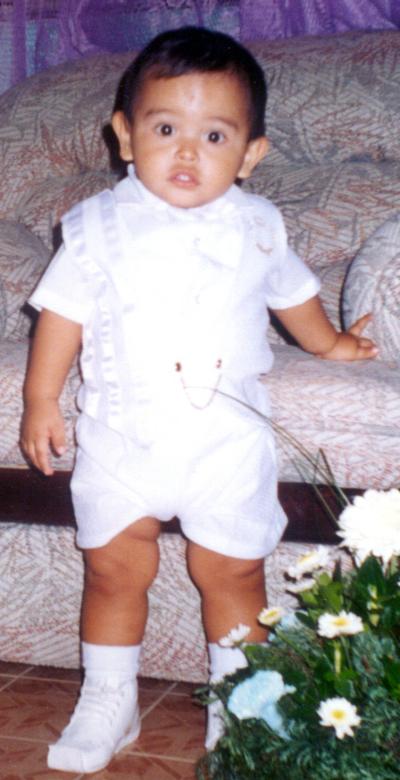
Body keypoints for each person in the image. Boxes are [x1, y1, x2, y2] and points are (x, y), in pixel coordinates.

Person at [20, 25, 377, 774]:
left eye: (213, 135)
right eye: (165, 128)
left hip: (225, 436)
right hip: (122, 435)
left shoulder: (260, 226)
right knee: (115, 568)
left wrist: (333, 345)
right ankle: (108, 698)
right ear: (124, 136)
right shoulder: (94, 227)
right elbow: (62, 316)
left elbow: (296, 301)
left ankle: (239, 699)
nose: (187, 152)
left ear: (250, 154)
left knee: (233, 571)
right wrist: (42, 400)